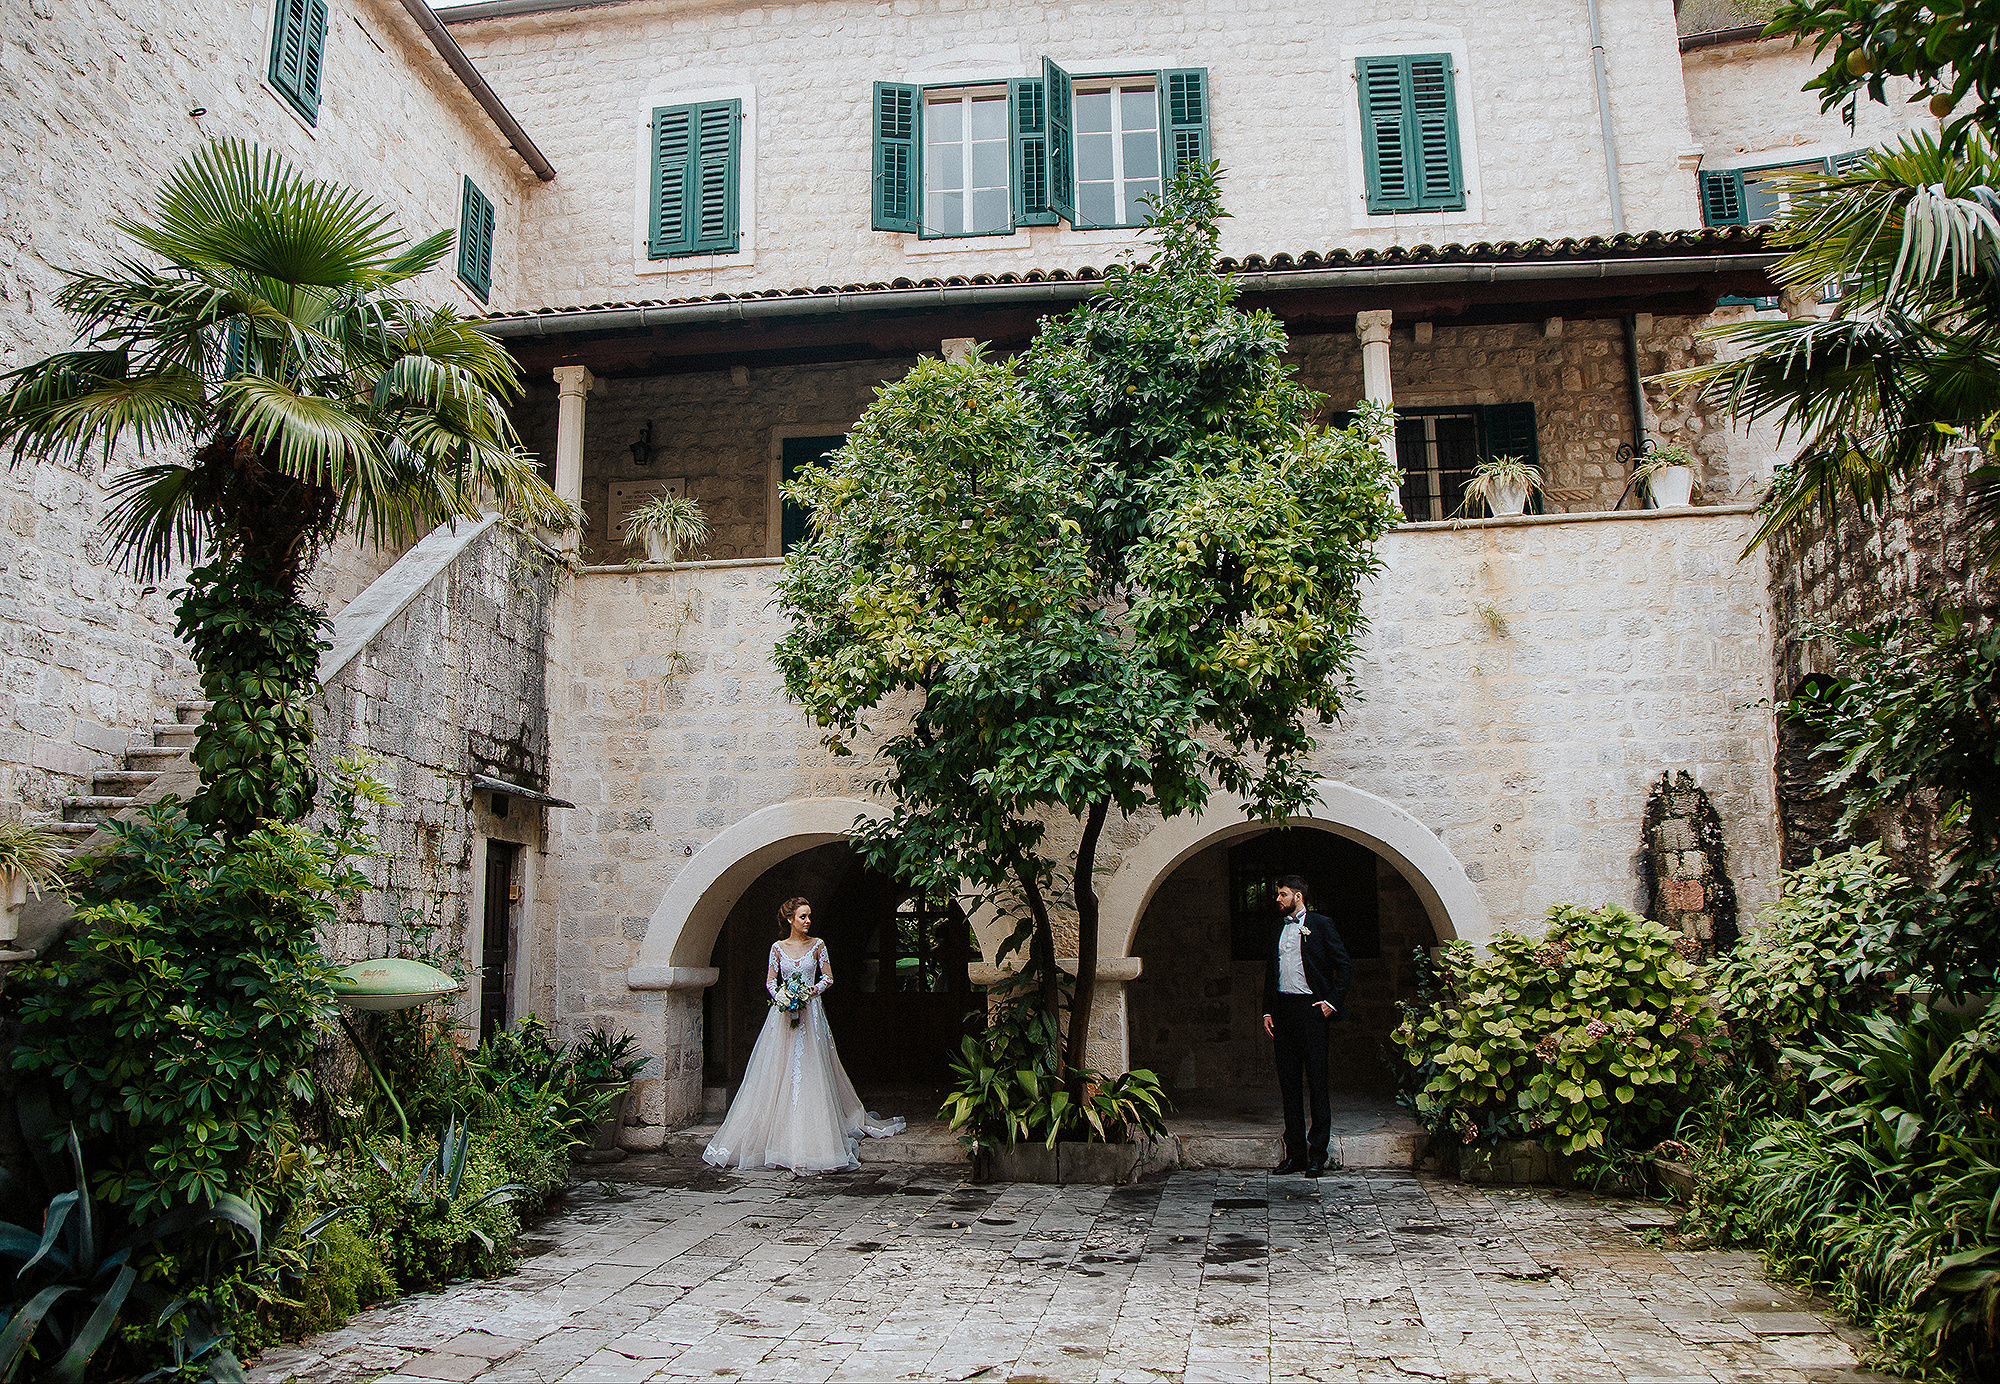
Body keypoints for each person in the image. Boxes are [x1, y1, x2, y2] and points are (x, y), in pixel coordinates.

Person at [703, 897, 905, 1172]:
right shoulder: (777, 948)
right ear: (789, 920)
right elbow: (770, 981)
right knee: (777, 1070)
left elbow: (828, 978)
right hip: (783, 1015)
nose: (808, 921)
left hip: (811, 1014)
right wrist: (782, 997)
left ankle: (815, 1137)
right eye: (802, 917)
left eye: (809, 916)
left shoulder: (818, 945)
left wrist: (810, 992)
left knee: (811, 1068)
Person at [1261, 873, 1351, 1178]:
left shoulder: (1321, 924)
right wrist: (1266, 1011)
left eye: (1282, 894)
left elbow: (1344, 966)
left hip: (1311, 1011)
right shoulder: (1277, 927)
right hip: (1283, 1012)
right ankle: (1295, 1154)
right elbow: (1270, 972)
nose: (1277, 899)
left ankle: (1317, 1155)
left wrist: (1330, 1002)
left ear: (1298, 896)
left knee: (1317, 1083)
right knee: (1288, 1086)